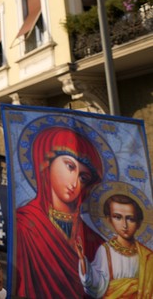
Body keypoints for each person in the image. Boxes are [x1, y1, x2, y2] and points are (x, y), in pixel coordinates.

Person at [15, 127, 104, 299]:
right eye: (70, 166)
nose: (74, 182)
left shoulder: (93, 238)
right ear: (47, 162)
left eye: (83, 177)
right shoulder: (24, 225)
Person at [76, 193, 153, 298]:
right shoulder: (105, 250)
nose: (124, 225)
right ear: (109, 219)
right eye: (118, 217)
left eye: (130, 219)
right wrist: (82, 261)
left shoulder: (148, 256)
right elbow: (97, 284)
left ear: (138, 223)